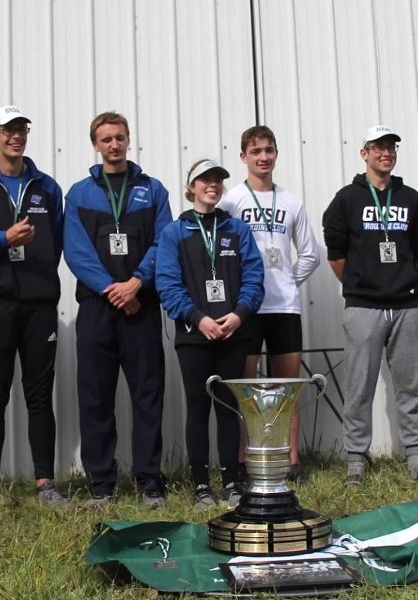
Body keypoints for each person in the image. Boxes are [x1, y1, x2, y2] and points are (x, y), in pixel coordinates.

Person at [0, 106, 70, 511]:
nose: (16, 136)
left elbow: (57, 242)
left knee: (40, 396)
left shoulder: (46, 187)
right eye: (7, 130)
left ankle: (46, 485)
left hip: (39, 304)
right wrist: (4, 238)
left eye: (21, 129)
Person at [321, 125, 418, 485]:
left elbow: (417, 248)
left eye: (390, 147)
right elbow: (336, 254)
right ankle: (356, 461)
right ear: (364, 153)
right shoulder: (346, 200)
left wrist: (398, 281)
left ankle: (416, 458)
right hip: (363, 307)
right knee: (360, 387)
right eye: (377, 147)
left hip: (407, 306)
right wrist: (362, 285)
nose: (385, 153)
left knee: (411, 385)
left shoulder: (411, 198)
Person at [64, 112, 173, 509]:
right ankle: (101, 484)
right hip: (97, 308)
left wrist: (137, 282)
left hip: (141, 305)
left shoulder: (153, 190)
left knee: (148, 394)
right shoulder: (79, 193)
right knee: (95, 397)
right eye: (106, 139)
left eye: (120, 138)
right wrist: (111, 288)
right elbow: (75, 250)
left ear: (129, 141)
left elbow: (165, 242)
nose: (114, 145)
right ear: (96, 144)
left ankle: (149, 481)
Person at [155, 159, 264, 509]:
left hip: (233, 331)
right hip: (194, 335)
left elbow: (254, 276)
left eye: (217, 179)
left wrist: (239, 315)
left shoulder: (236, 229)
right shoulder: (174, 232)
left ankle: (232, 480)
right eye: (205, 180)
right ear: (192, 187)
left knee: (230, 408)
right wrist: (197, 318)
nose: (212, 185)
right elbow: (167, 283)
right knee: (198, 408)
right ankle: (201, 485)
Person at [219, 126, 321, 483]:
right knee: (245, 389)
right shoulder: (230, 201)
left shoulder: (291, 202)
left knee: (287, 388)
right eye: (256, 150)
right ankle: (244, 461)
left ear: (276, 154)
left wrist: (287, 281)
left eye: (269, 150)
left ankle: (292, 462)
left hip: (283, 308)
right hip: (245, 310)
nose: (263, 157)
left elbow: (310, 254)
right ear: (243, 156)